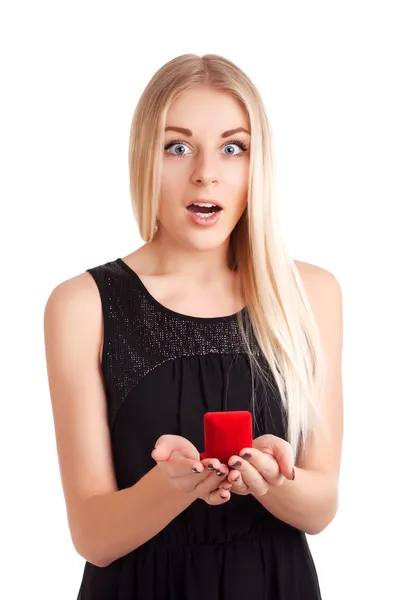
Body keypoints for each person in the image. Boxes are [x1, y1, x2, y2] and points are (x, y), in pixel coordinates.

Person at [43, 53, 343, 599]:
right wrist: (171, 486)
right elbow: (92, 534)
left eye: (233, 148)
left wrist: (275, 482)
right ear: (145, 159)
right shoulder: (82, 304)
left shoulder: (310, 295)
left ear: (257, 165)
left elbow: (321, 507)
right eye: (177, 147)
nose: (206, 171)